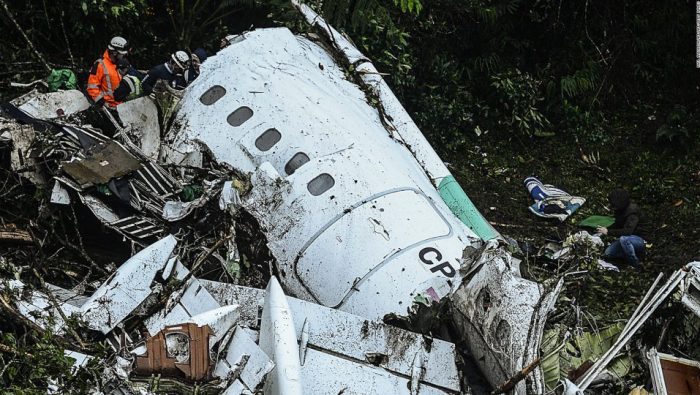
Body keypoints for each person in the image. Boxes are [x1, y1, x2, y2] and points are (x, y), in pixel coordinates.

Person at [597, 188, 648, 267]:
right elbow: (618, 224)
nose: (613, 207)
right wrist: (605, 230)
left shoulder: (632, 212)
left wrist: (608, 232)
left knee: (624, 239)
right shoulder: (620, 210)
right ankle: (627, 254)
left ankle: (635, 262)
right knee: (608, 253)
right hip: (628, 239)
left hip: (640, 239)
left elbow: (627, 231)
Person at [87, 36, 128, 108]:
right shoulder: (100, 64)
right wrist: (101, 102)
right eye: (122, 54)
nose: (123, 56)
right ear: (114, 53)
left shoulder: (121, 63)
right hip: (108, 106)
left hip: (121, 105)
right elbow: (92, 88)